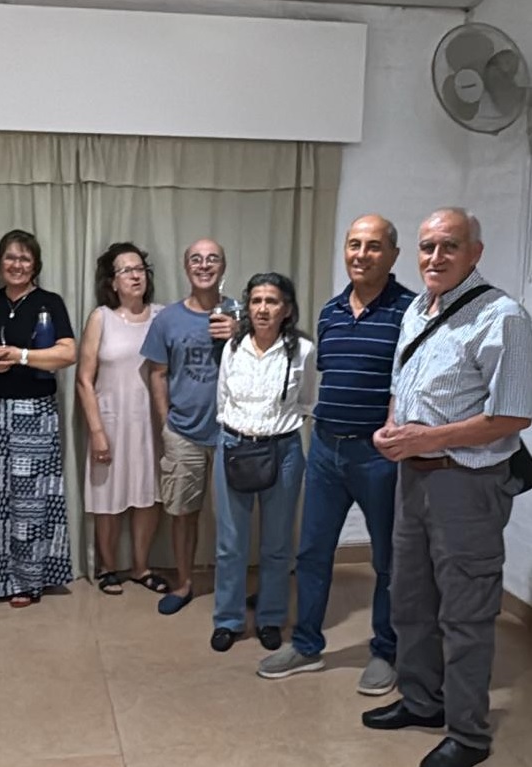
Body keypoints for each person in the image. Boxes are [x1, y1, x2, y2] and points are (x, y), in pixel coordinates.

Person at [363, 208, 532, 767]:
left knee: (465, 612)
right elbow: (400, 384)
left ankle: (469, 734)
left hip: (468, 483)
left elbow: (511, 416)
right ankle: (421, 699)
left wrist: (426, 437)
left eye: (449, 247)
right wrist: (394, 430)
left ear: (475, 253)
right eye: (427, 247)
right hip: (413, 477)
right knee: (409, 599)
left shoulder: (503, 315)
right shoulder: (417, 307)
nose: (435, 258)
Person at [258, 215, 414, 694]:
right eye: (353, 244)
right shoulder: (328, 312)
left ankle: (385, 652)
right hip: (326, 448)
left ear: (392, 254)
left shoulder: (410, 311)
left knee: (387, 558)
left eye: (372, 246)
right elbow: (327, 375)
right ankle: (306, 645)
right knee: (312, 552)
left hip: (378, 455)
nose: (360, 254)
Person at [0, 229, 76, 607]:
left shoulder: (49, 302)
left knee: (30, 501)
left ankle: (29, 580)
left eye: (25, 259)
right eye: (10, 258)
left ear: (36, 265)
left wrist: (20, 355)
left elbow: (67, 353)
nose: (17, 265)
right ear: (0, 263)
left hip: (36, 411)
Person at [211, 272, 315, 653]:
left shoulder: (302, 351)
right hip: (234, 447)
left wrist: (275, 431)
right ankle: (228, 619)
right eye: (256, 301)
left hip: (283, 451)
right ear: (247, 307)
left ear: (286, 308)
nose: (263, 309)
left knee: (275, 544)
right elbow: (223, 401)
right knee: (230, 543)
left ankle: (271, 618)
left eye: (271, 301)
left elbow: (306, 402)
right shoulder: (232, 348)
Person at [140, 239, 236, 615]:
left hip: (233, 432)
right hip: (183, 432)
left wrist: (240, 331)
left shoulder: (241, 313)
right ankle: (183, 583)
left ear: (223, 267)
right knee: (182, 513)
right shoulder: (167, 319)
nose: (204, 265)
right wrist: (167, 424)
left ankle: (230, 591)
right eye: (196, 259)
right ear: (186, 268)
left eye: (213, 258)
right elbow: (157, 373)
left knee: (232, 516)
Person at [77, 243, 168, 595]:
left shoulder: (163, 317)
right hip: (110, 421)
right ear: (112, 282)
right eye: (125, 270)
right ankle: (108, 567)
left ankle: (142, 567)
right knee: (108, 497)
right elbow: (84, 379)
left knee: (149, 494)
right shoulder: (101, 318)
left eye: (140, 268)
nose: (135, 275)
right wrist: (97, 431)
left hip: (151, 421)